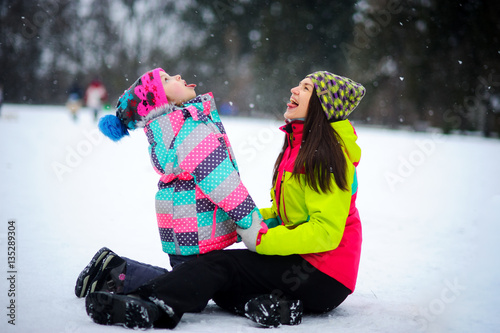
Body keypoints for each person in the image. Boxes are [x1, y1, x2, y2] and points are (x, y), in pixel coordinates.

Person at [84, 71, 366, 329]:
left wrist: (264, 240)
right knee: (216, 279)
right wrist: (257, 220)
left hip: (324, 272)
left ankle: (152, 305)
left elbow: (326, 232)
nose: (294, 88)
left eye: (305, 88)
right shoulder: (300, 146)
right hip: (309, 265)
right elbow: (289, 214)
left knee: (220, 267)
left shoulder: (327, 156)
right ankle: (272, 307)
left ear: (322, 106)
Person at [75, 68, 262, 299]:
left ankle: (114, 270)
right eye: (166, 80)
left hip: (187, 229)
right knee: (193, 288)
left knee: (189, 281)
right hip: (196, 231)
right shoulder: (188, 128)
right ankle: (116, 274)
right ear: (158, 103)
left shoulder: (169, 129)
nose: (178, 77)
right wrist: (252, 221)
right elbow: (221, 180)